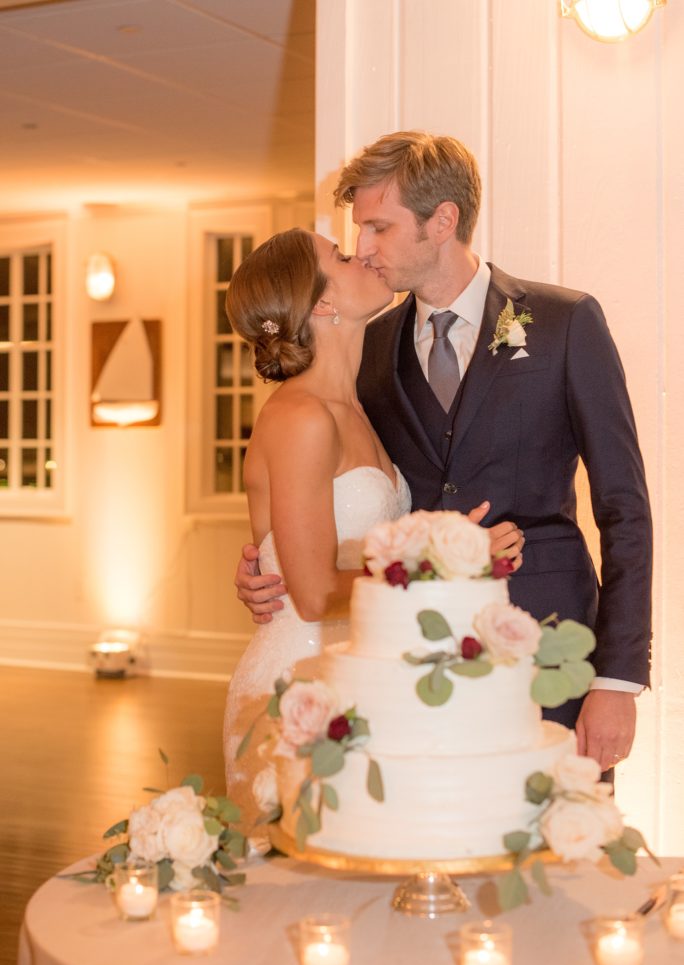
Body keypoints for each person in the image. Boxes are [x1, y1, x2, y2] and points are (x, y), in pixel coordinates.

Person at [236, 131, 652, 777]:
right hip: (411, 669)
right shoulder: (363, 357)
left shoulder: (566, 324)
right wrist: (268, 569)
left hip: (553, 652)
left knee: (562, 864)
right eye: (357, 237)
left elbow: (625, 509)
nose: (365, 250)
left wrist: (618, 680)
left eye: (377, 227)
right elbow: (321, 505)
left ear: (442, 221)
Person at [222, 226, 523, 827]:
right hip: (300, 687)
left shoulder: (357, 404)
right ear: (322, 304)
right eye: (338, 255)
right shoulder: (301, 417)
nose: (360, 251)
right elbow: (309, 596)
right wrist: (448, 556)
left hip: (362, 672)